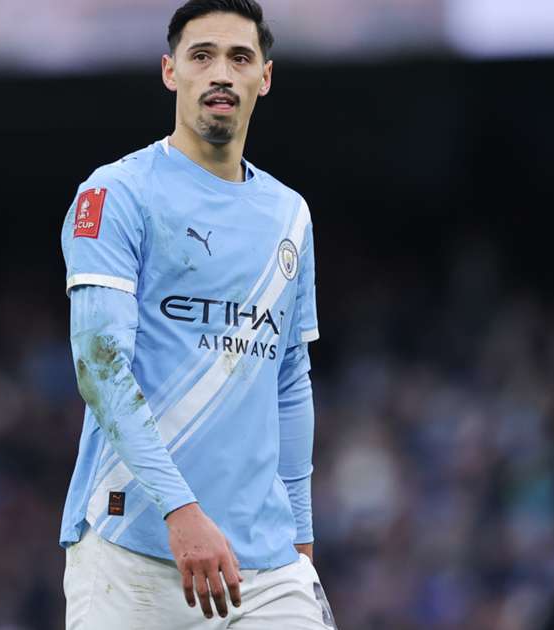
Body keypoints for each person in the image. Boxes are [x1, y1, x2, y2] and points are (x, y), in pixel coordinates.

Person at [58, 1, 335, 627]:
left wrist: (301, 528)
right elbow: (100, 369)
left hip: (266, 565)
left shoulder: (291, 214)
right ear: (169, 71)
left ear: (264, 77)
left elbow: (290, 379)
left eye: (239, 58)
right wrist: (181, 511)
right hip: (135, 555)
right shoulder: (115, 193)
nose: (221, 73)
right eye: (201, 56)